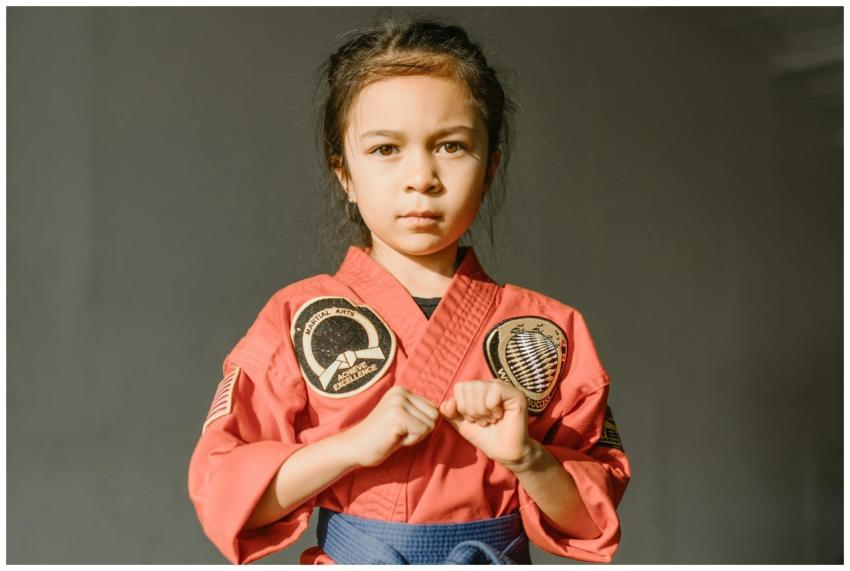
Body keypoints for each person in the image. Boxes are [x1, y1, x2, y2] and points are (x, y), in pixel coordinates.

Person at [188, 14, 630, 565]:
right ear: (343, 173)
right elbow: (229, 501)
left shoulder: (549, 331)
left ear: (490, 167)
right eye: (385, 149)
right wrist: (350, 447)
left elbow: (594, 523)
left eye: (450, 146)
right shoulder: (295, 317)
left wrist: (527, 459)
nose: (421, 176)